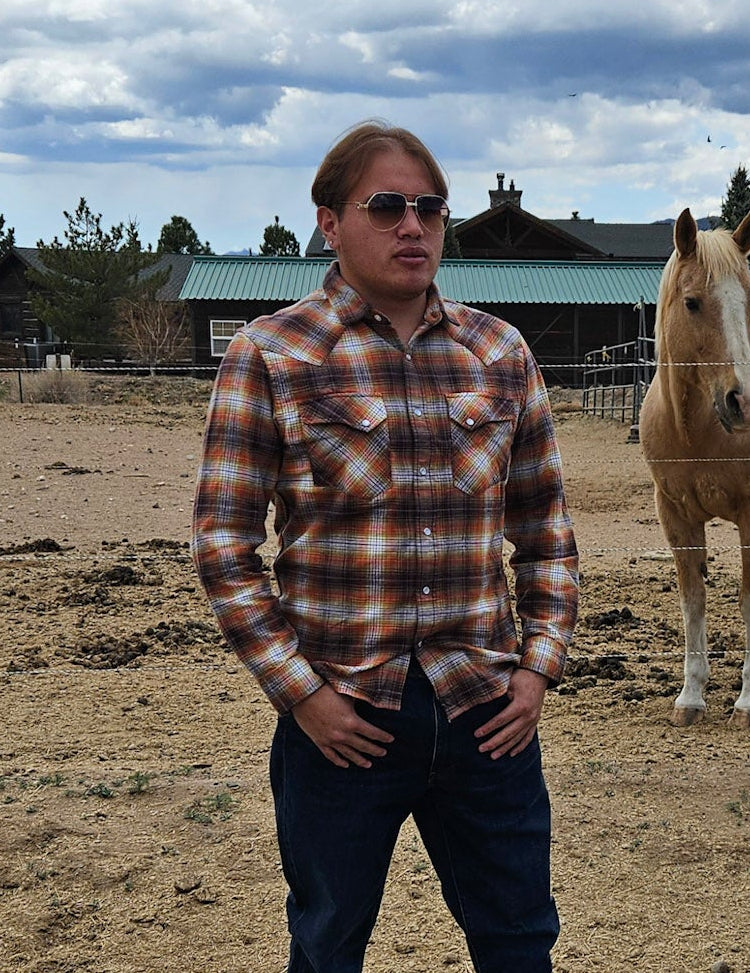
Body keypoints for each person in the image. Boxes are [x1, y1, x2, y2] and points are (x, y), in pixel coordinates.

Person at [191, 119, 579, 973]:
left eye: (430, 208)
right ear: (330, 222)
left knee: (520, 942)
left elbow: (545, 532)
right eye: (387, 206)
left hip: (485, 710)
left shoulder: (499, 352)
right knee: (327, 944)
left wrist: (536, 670)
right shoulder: (271, 354)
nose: (413, 225)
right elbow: (222, 545)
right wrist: (302, 695)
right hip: (344, 714)